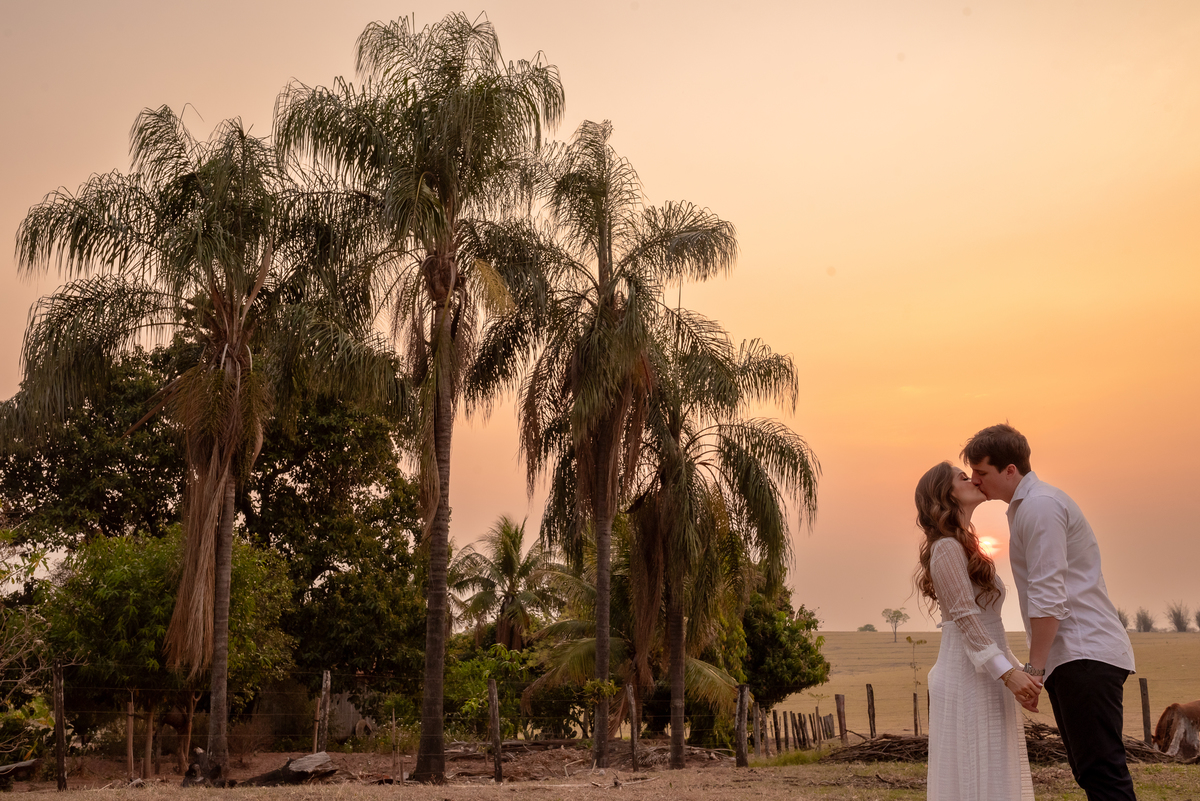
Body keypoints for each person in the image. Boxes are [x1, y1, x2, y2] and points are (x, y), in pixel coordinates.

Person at [964, 424, 1136, 801]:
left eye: (982, 472)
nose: (975, 481)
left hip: (1083, 651)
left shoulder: (1040, 506)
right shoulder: (1027, 508)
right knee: (1090, 771)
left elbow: (1048, 593)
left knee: (1102, 772)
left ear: (1011, 470)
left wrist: (1034, 670)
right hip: (1072, 655)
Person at [915, 461, 1036, 800]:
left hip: (988, 673)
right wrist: (1009, 675)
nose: (974, 480)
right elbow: (967, 620)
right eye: (963, 477)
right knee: (971, 774)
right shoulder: (946, 548)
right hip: (965, 676)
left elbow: (991, 627)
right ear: (946, 493)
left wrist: (1018, 675)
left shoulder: (966, 547)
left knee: (994, 773)